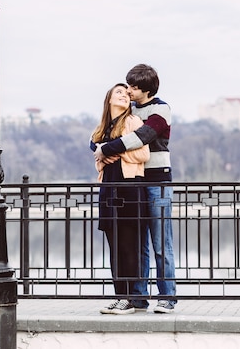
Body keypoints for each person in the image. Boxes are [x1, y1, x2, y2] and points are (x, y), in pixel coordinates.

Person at [93, 64, 177, 313]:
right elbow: (102, 133)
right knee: (139, 243)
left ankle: (167, 297)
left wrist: (107, 150)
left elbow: (141, 137)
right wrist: (99, 150)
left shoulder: (161, 109)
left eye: (131, 87)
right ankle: (137, 297)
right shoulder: (130, 110)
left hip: (158, 182)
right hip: (136, 183)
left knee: (161, 242)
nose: (127, 91)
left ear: (143, 89)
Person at [90, 83, 150, 315]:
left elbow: (143, 153)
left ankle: (130, 299)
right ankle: (119, 296)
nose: (124, 96)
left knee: (128, 245)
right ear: (109, 99)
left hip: (129, 189)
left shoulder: (132, 122)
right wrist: (103, 155)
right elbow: (97, 157)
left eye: (127, 94)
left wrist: (112, 150)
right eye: (119, 93)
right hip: (108, 191)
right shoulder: (100, 128)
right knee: (114, 245)